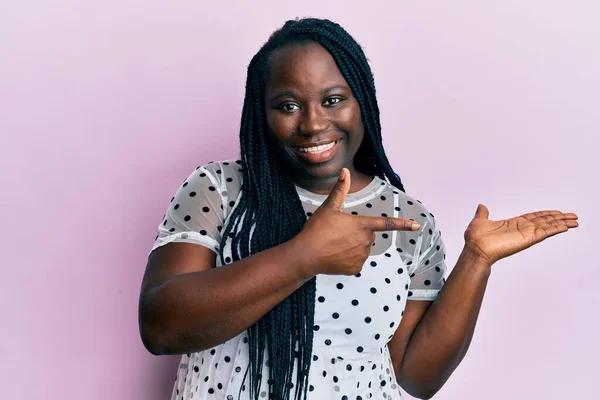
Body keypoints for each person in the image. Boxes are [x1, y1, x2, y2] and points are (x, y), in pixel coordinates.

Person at [137, 18, 579, 400]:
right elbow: (161, 328)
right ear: (261, 113)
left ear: (362, 102)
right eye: (288, 106)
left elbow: (416, 376)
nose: (312, 123)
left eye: (333, 100)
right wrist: (304, 256)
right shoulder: (220, 188)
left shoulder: (409, 219)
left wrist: (477, 261)